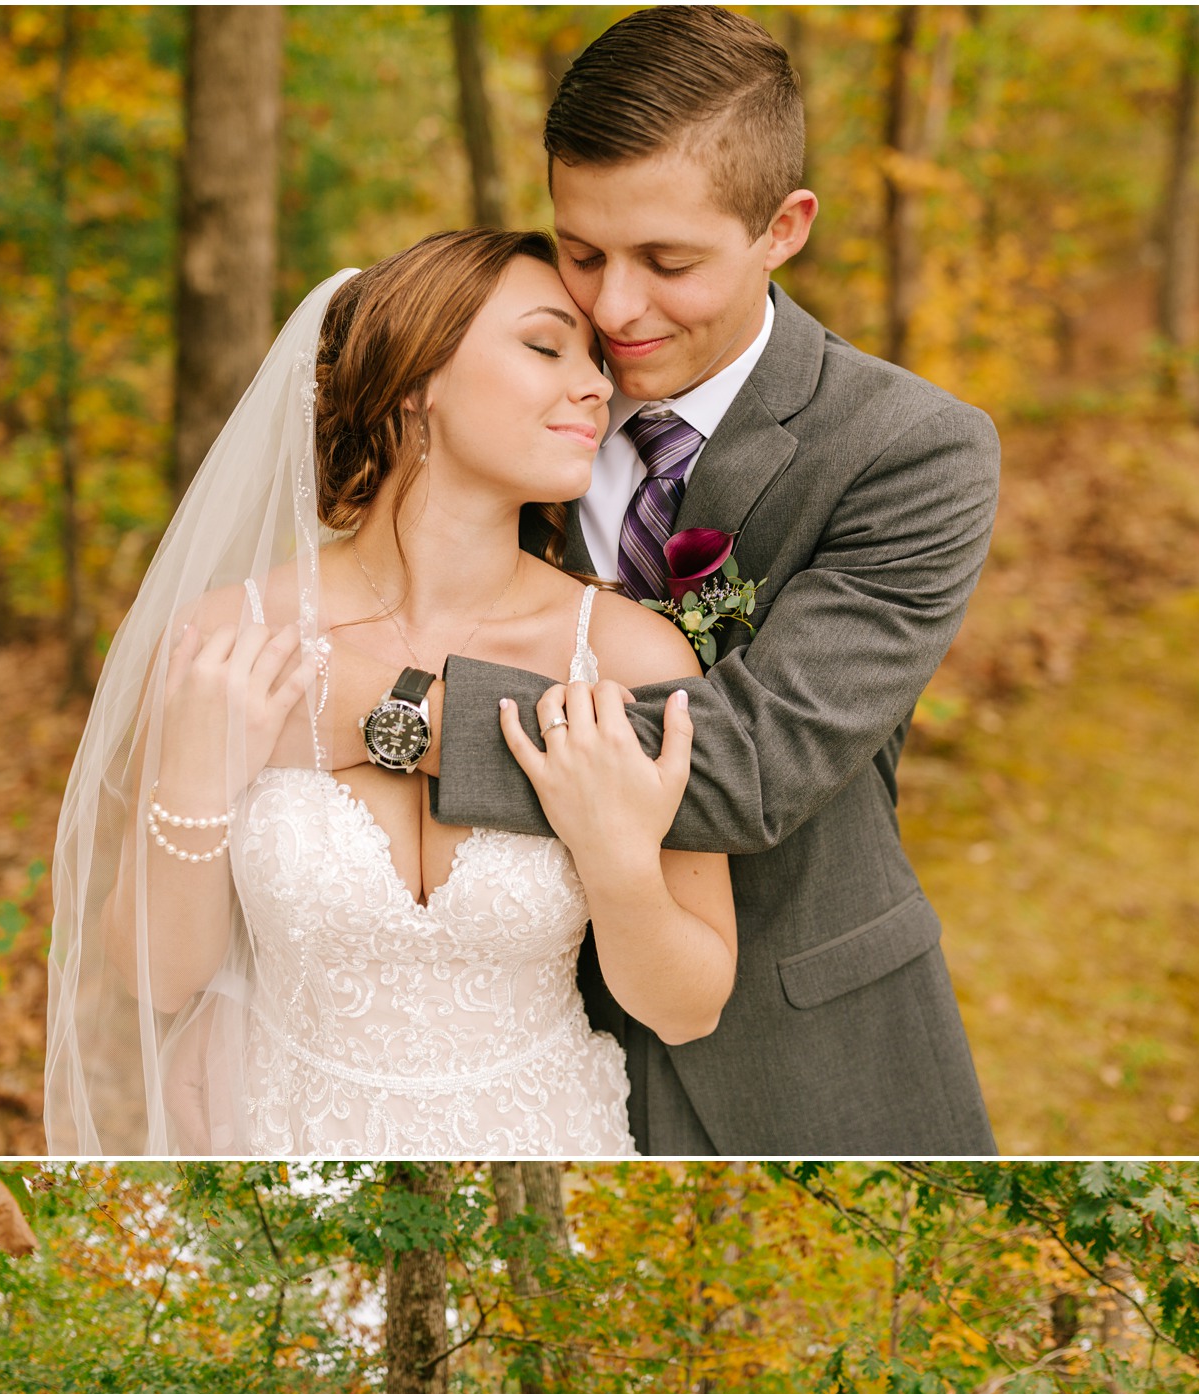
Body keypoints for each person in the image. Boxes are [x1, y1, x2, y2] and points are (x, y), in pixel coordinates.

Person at [425, 6, 1001, 1156]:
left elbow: (748, 760)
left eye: (668, 262)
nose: (616, 308)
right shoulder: (494, 402)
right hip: (519, 1042)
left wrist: (403, 722)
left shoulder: (910, 450)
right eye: (583, 252)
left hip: (815, 1045)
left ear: (783, 228)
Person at [45, 229, 735, 1156]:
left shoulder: (628, 658)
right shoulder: (232, 637)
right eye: (545, 347)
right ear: (419, 380)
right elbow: (158, 977)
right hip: (284, 1137)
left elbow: (687, 1008)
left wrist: (617, 860)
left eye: (596, 362)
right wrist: (197, 787)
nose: (597, 386)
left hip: (547, 1138)